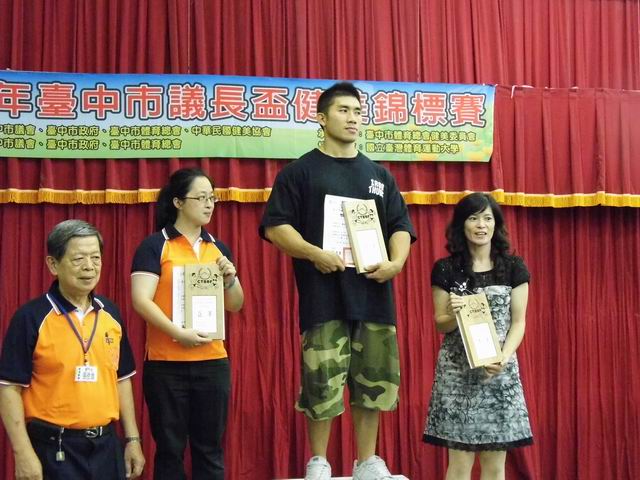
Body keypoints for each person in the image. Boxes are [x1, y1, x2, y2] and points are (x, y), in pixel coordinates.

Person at [259, 82, 415, 480]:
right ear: (322, 118)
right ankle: (319, 460)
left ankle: (367, 461)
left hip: (374, 296)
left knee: (374, 383)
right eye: (343, 110)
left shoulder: (379, 175)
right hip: (324, 296)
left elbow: (400, 225)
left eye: (358, 112)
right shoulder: (299, 172)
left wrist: (396, 263)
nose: (352, 118)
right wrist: (314, 252)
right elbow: (276, 227)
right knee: (321, 383)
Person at [0, 219, 145, 480]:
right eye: (78, 259)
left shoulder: (110, 313)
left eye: (95, 258)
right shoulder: (31, 318)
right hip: (54, 449)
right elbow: (9, 388)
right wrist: (22, 453)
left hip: (106, 446)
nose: (89, 266)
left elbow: (122, 379)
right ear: (53, 264)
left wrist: (132, 439)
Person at [131, 168, 244, 480]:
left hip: (212, 362)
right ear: (178, 202)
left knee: (210, 450)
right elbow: (141, 300)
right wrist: (178, 333)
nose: (209, 204)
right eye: (201, 197)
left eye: (212, 198)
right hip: (166, 364)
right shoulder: (155, 246)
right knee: (170, 450)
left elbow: (235, 304)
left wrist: (230, 278)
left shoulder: (217, 248)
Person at [423, 192, 533, 479]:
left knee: (495, 466)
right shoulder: (446, 269)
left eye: (487, 218)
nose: (481, 225)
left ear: (496, 224)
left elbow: (518, 322)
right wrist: (455, 314)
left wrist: (503, 358)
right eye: (473, 218)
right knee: (459, 464)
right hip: (457, 376)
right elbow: (441, 324)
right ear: (462, 224)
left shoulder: (514, 267)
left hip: (499, 372)